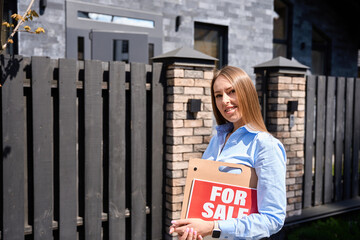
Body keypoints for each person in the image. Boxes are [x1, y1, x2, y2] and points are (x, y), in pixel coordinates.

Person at [169, 66, 287, 240]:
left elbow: (273, 219)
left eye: (231, 91)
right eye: (218, 95)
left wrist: (213, 227)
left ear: (247, 93)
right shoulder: (216, 140)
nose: (224, 100)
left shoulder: (265, 145)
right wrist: (192, 228)